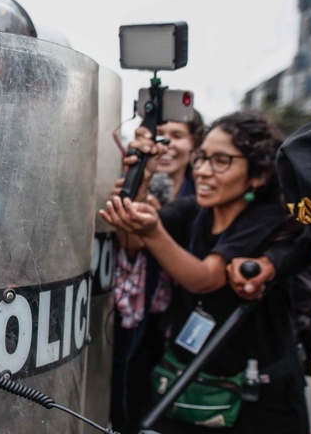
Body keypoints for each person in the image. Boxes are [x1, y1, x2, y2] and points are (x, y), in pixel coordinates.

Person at [100, 111, 308, 434]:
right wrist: (140, 179)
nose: (203, 171)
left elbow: (204, 278)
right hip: (189, 390)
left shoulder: (268, 218)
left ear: (258, 174)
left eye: (221, 161)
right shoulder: (193, 211)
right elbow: (132, 239)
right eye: (202, 158)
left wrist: (154, 232)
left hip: (257, 402)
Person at [109, 110, 204, 434]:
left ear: (195, 145)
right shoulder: (139, 185)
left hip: (189, 322)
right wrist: (138, 180)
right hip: (142, 317)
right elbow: (130, 246)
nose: (165, 146)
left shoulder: (207, 195)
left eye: (176, 136)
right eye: (158, 136)